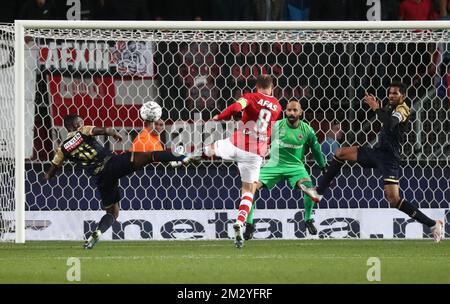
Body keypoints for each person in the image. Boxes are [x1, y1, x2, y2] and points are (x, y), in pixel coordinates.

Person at [44, 114, 198, 249]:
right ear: (75, 125)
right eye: (81, 122)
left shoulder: (62, 148)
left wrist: (48, 176)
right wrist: (114, 133)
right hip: (112, 164)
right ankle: (183, 157)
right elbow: (104, 130)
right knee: (150, 155)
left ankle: (97, 233)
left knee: (112, 212)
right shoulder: (82, 131)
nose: (83, 123)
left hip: (101, 178)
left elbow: (53, 168)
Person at [316, 81, 444, 242]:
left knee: (394, 200)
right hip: (377, 152)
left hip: (389, 159)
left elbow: (390, 123)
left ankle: (433, 224)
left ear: (403, 96)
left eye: (395, 93)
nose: (391, 95)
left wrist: (375, 108)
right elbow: (386, 119)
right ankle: (319, 191)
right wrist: (378, 107)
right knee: (341, 152)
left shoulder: (403, 109)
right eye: (390, 93)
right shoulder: (390, 107)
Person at [204, 74, 282, 248]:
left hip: (236, 145)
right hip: (254, 155)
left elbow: (235, 108)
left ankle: (183, 158)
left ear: (257, 87)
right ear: (272, 88)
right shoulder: (277, 106)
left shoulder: (250, 97)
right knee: (248, 190)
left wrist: (220, 116)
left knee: (210, 148)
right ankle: (240, 221)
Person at [243, 100, 326, 240]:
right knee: (249, 188)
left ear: (300, 112)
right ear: (285, 112)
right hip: (273, 165)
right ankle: (249, 224)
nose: (291, 113)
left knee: (309, 188)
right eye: (289, 110)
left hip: (296, 167)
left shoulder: (307, 130)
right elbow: (260, 141)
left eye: (294, 110)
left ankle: (308, 219)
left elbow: (316, 150)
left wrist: (323, 166)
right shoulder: (275, 126)